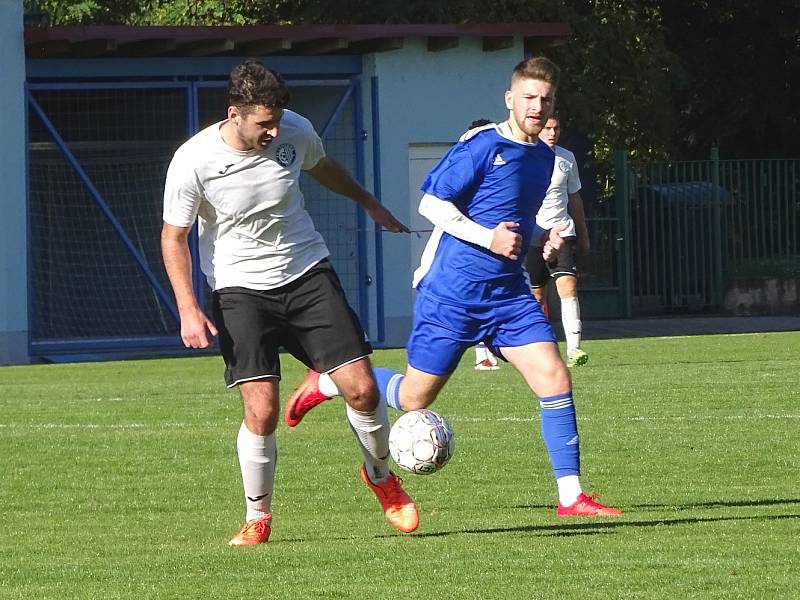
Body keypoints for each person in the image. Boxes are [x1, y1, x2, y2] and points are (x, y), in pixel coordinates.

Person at [285, 57, 622, 520]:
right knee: (414, 399)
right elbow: (431, 203)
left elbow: (514, 217)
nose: (537, 107)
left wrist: (542, 238)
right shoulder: (482, 145)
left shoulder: (546, 158)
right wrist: (489, 238)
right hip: (453, 293)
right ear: (510, 99)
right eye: (528, 97)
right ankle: (328, 381)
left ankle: (571, 498)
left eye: (545, 100)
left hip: (507, 295)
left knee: (555, 377)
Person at [161, 59, 418, 546]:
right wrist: (188, 308)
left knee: (363, 389)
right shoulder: (193, 161)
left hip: (306, 274)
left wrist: (369, 203)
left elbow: (323, 168)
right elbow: (174, 237)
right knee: (262, 409)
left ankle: (381, 476)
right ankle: (258, 516)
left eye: (277, 119)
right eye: (263, 123)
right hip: (238, 289)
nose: (273, 130)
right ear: (234, 113)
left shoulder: (294, 130)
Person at [526, 115, 591, 367]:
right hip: (534, 234)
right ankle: (537, 349)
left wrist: (583, 234)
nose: (552, 133)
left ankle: (574, 349)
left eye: (556, 128)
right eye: (547, 128)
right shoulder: (525, 156)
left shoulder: (566, 158)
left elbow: (574, 198)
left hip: (563, 232)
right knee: (537, 296)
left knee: (568, 288)